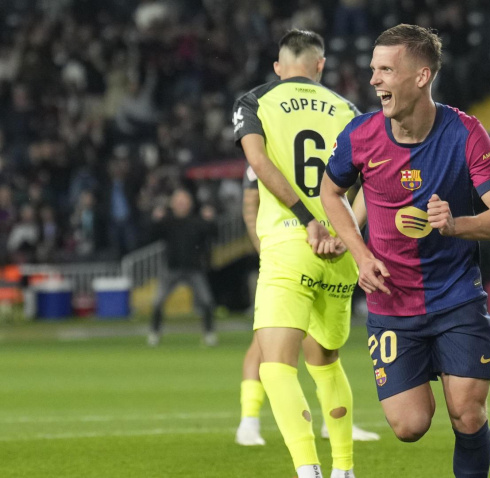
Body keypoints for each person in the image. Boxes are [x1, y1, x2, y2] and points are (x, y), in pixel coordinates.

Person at [321, 24, 490, 478]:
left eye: (386, 70)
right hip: (392, 303)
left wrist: (456, 224)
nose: (373, 80)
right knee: (409, 425)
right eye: (373, 69)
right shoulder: (359, 136)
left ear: (421, 76)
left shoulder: (466, 132)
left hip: (456, 298)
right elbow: (330, 192)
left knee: (467, 413)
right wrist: (360, 254)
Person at [232, 29, 364, 478]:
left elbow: (259, 163)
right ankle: (344, 470)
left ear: (277, 67)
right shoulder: (349, 110)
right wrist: (347, 235)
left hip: (291, 243)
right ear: (321, 65)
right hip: (341, 252)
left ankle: (308, 471)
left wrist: (305, 220)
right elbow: (371, 184)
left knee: (277, 366)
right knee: (325, 362)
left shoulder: (255, 102)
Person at [235, 163, 379, 446]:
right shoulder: (271, 144)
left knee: (323, 347)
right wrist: (265, 250)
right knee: (265, 344)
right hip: (289, 250)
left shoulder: (307, 137)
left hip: (325, 252)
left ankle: (331, 423)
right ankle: (248, 421)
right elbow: (251, 202)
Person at [148, 188, 218, 347]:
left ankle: (209, 334)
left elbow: (213, 235)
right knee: (157, 302)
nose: (181, 204)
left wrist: (210, 220)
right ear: (173, 204)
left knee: (207, 302)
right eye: (178, 201)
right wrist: (155, 220)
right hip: (172, 268)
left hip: (194, 269)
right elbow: (151, 235)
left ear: (190, 203)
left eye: (184, 201)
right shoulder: (167, 221)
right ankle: (154, 333)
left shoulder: (196, 221)